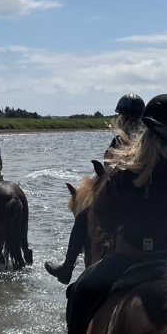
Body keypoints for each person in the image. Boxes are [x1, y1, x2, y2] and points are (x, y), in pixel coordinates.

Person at [45, 93, 167, 334]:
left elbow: (103, 218)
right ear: (164, 132)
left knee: (80, 291)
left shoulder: (120, 173)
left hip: (129, 257)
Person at [44, 93, 146, 284]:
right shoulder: (148, 142)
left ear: (122, 118)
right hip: (144, 204)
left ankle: (67, 268)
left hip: (119, 203)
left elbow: (108, 174)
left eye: (122, 116)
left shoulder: (119, 142)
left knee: (83, 218)